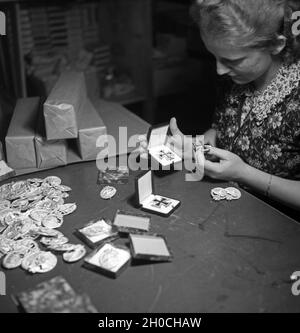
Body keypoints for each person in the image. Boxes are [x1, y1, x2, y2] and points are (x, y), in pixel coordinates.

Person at [140, 0, 300, 212]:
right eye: (214, 56)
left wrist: (243, 173)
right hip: (230, 210)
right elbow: (226, 130)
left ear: (276, 45)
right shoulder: (236, 77)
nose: (220, 70)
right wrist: (193, 147)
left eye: (232, 60)